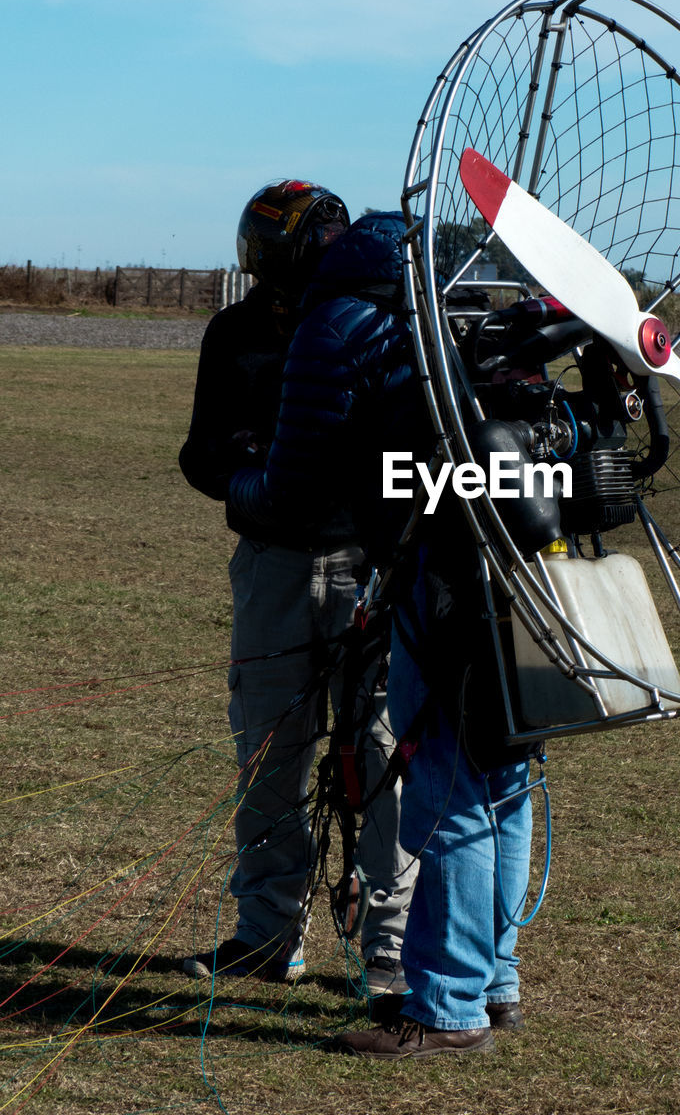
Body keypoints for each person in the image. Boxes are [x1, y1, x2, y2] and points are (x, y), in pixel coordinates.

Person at [228, 210, 534, 1057]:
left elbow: (289, 484)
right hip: (530, 564)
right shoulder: (454, 313)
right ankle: (492, 982)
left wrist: (239, 484)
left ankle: (447, 1007)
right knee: (505, 774)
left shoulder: (343, 321)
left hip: (440, 573)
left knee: (446, 788)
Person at [178, 180, 415, 994]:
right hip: (272, 567)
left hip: (365, 566)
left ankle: (391, 944)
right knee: (268, 753)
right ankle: (266, 935)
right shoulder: (233, 332)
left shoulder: (383, 320)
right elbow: (200, 455)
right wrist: (250, 469)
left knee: (380, 751)